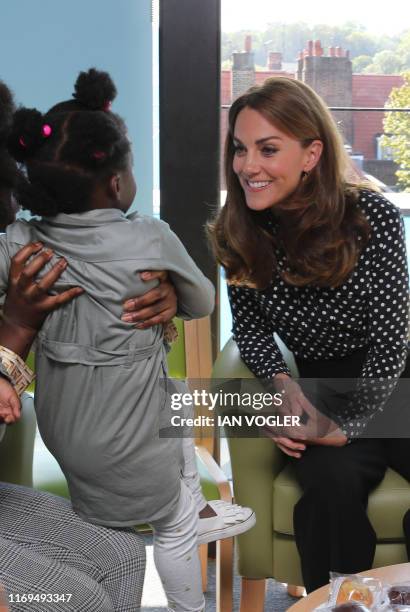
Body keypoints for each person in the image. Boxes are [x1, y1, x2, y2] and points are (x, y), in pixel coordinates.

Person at [0, 69, 254, 612]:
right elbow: (206, 303)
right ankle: (189, 547)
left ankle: (192, 499)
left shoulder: (21, 243)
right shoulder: (148, 236)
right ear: (117, 182)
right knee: (173, 523)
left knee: (175, 392)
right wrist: (175, 294)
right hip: (128, 440)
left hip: (65, 433)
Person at [208, 76, 410, 592]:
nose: (247, 166)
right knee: (328, 485)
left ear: (311, 153)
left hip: (396, 380)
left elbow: (392, 339)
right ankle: (343, 602)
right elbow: (249, 331)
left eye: (267, 149)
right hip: (324, 385)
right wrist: (282, 385)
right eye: (240, 149)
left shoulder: (374, 218)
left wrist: (352, 423)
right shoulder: (239, 230)